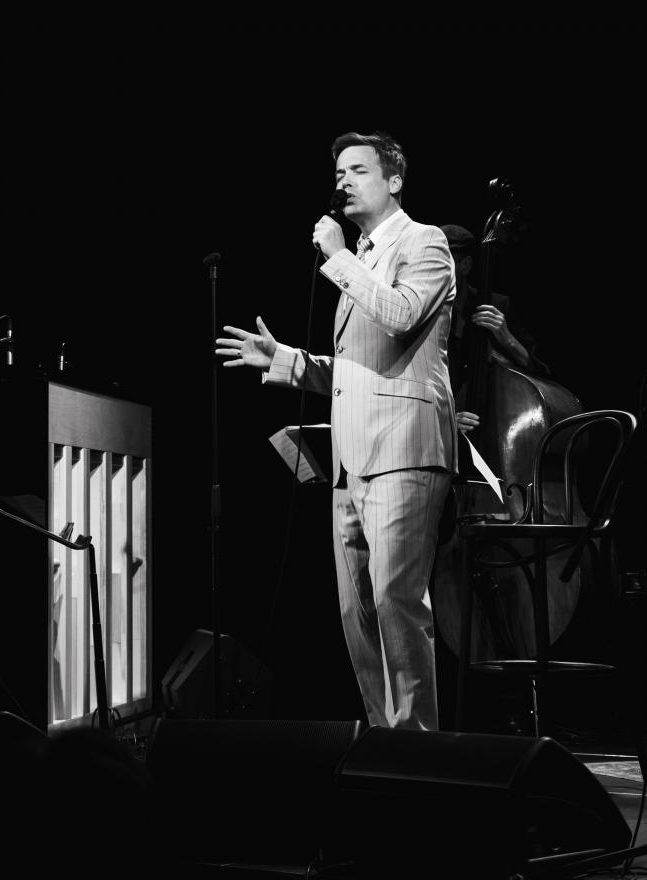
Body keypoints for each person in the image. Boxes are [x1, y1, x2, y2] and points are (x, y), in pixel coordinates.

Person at [216, 131, 456, 730]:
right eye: (339, 172)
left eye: (358, 170)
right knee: (357, 612)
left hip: (404, 447)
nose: (343, 180)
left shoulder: (423, 242)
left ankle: (415, 744)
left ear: (394, 180)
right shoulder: (359, 259)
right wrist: (285, 359)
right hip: (350, 459)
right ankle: (383, 736)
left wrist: (336, 257)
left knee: (396, 600)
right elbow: (358, 368)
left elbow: (401, 315)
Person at [439, 223, 550, 436]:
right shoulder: (428, 315)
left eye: (442, 265)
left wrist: (507, 338)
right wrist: (445, 417)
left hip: (500, 428)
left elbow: (543, 374)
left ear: (465, 266)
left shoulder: (498, 306)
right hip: (446, 435)